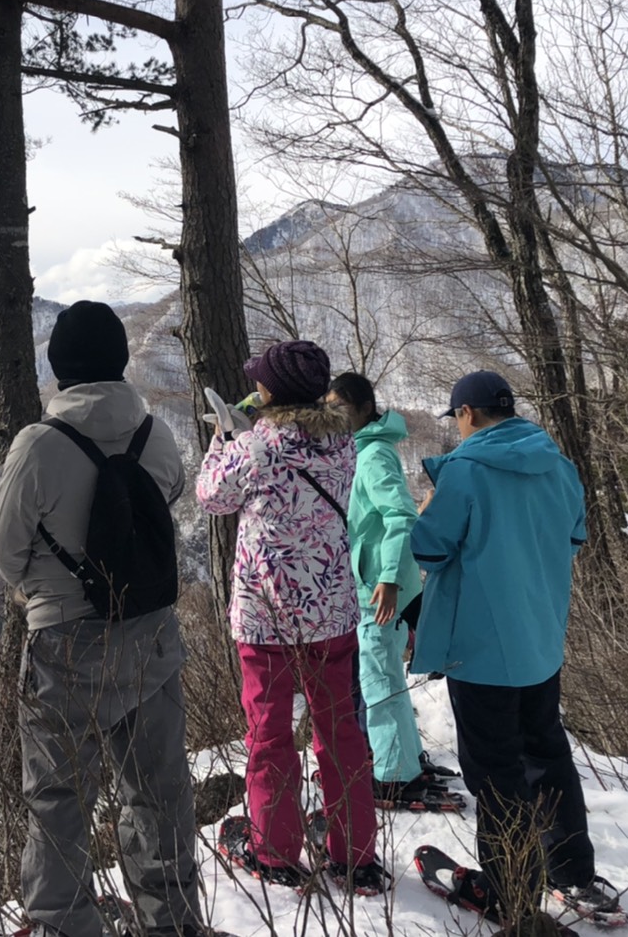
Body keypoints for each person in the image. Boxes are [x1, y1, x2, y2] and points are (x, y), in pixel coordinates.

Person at [0, 301, 204, 937]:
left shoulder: (38, 446)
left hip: (65, 645)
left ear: (60, 367)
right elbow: (165, 498)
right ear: (117, 362)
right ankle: (172, 920)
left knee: (60, 797)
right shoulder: (155, 434)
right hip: (153, 634)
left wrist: (49, 588)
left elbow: (6, 554)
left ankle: (64, 923)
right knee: (159, 788)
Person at [409, 370, 623, 930]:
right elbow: (575, 537)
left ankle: (512, 887)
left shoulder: (464, 471)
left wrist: (429, 506)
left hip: (481, 648)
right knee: (547, 755)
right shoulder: (559, 465)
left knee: (495, 769)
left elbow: (428, 551)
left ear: (468, 415)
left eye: (455, 418)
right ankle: (572, 871)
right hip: (540, 638)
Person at [196, 340, 387, 894]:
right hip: (330, 612)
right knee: (339, 731)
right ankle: (356, 856)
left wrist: (223, 437)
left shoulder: (257, 449)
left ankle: (276, 851)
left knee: (270, 734)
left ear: (270, 392)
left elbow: (211, 496)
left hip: (266, 619)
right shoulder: (344, 444)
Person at [326, 371, 458, 812]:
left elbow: (402, 517)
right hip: (383, 588)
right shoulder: (364, 452)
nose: (334, 416)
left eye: (339, 407)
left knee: (378, 681)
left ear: (364, 408)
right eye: (329, 408)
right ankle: (405, 763)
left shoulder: (373, 456)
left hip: (378, 592)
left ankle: (392, 776)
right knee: (387, 679)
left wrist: (385, 579)